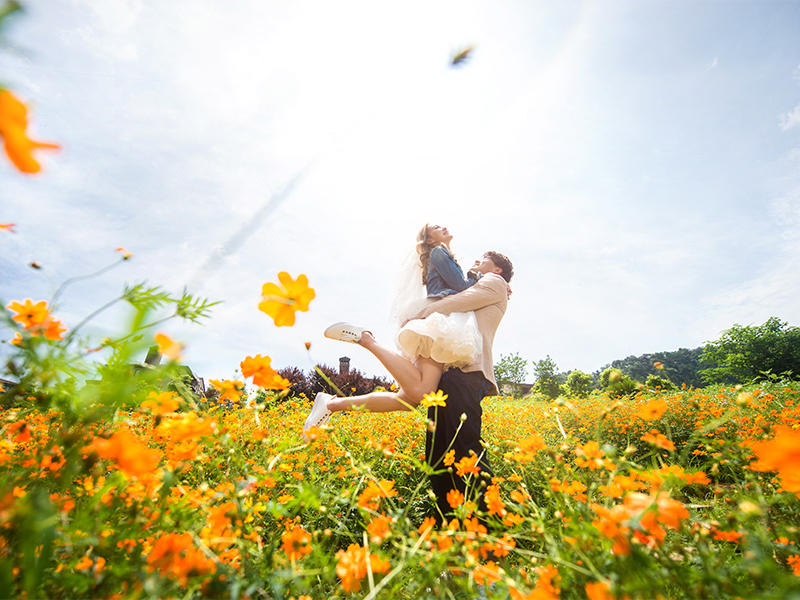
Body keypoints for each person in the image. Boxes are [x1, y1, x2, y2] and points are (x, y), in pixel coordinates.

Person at [302, 224, 483, 435]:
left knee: (406, 400)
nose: (443, 226)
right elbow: (462, 287)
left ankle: (331, 404)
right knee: (423, 393)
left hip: (439, 324)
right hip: (439, 325)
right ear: (429, 239)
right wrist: (476, 273)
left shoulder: (442, 253)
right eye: (435, 227)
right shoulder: (438, 251)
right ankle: (366, 340)